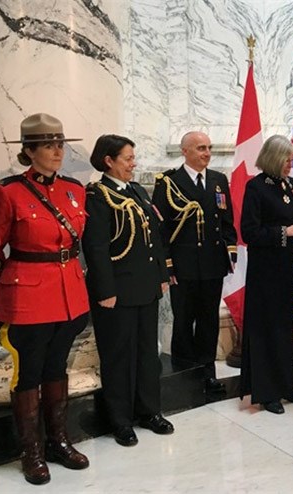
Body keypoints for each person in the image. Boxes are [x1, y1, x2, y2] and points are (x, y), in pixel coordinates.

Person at [0, 113, 90, 485]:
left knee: (57, 367)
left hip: (69, 293)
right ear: (29, 151)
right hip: (27, 297)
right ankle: (32, 451)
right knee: (29, 373)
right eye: (48, 145)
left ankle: (58, 440)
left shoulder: (74, 189)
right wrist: (12, 284)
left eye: (60, 144)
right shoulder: (6, 193)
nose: (58, 151)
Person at [82, 134, 174, 447]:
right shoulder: (98, 195)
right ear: (109, 160)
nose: (133, 165)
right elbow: (95, 248)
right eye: (128, 159)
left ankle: (149, 411)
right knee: (119, 357)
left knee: (148, 354)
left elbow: (154, 236)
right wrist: (105, 290)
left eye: (133, 158)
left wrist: (161, 274)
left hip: (146, 287)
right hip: (117, 292)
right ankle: (120, 420)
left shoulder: (134, 191)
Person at [152, 131, 237, 392]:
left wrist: (229, 254)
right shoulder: (169, 183)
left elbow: (226, 222)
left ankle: (207, 373)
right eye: (201, 148)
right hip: (183, 267)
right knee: (183, 321)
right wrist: (168, 266)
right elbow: (161, 230)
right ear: (185, 151)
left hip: (212, 264)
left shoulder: (218, 180)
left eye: (209, 147)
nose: (207, 153)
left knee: (209, 321)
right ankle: (184, 373)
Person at [239, 135, 293, 414]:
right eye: (287, 159)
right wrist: (288, 231)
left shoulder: (291, 185)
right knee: (265, 329)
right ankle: (265, 392)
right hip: (264, 270)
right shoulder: (256, 188)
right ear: (273, 158)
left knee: (283, 328)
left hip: (286, 267)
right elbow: (249, 232)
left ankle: (286, 386)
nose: (291, 163)